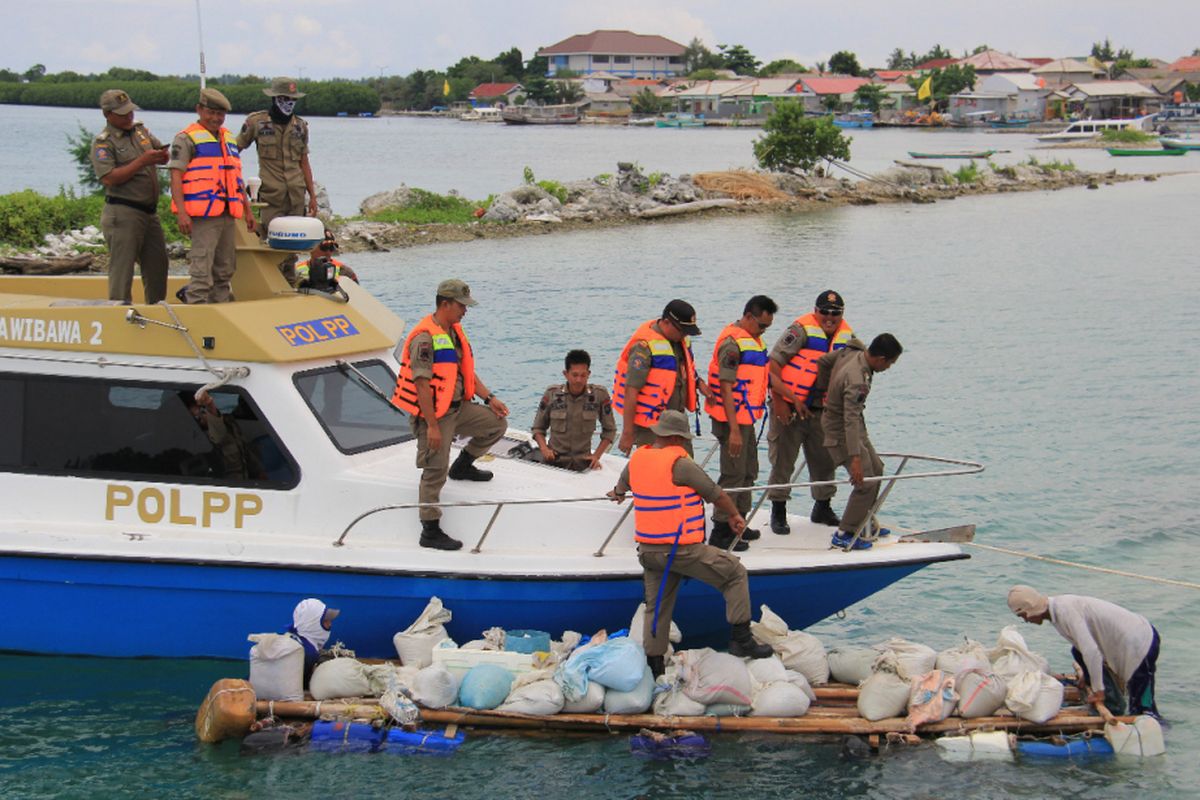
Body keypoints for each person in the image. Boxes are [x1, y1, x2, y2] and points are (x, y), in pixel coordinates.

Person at [608, 410, 773, 677]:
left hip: (649, 551)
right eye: (683, 438)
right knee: (734, 573)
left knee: (657, 606)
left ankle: (655, 666)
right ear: (675, 437)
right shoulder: (681, 465)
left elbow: (620, 488)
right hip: (680, 549)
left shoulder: (638, 459)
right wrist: (734, 516)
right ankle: (742, 640)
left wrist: (616, 493)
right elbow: (715, 494)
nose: (685, 443)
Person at [391, 279, 509, 550]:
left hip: (458, 407)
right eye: (461, 306)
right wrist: (431, 426)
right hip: (436, 415)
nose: (465, 311)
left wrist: (490, 398)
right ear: (445, 304)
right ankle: (429, 530)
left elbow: (464, 372)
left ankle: (463, 466)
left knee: (497, 425)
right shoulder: (424, 338)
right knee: (435, 470)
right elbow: (421, 385)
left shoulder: (454, 332)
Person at [765, 290, 856, 534]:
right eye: (824, 311)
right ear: (815, 311)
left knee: (825, 460)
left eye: (835, 313)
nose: (829, 317)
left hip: (823, 411)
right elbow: (773, 366)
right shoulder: (799, 331)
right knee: (783, 460)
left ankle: (822, 507)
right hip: (790, 408)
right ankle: (778, 511)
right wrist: (782, 402)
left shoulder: (847, 338)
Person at [1007, 585, 1161, 719]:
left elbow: (1092, 652)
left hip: (1141, 642)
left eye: (1023, 615)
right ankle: (1113, 704)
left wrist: (1098, 690)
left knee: (1143, 707)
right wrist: (1088, 677)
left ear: (1030, 608)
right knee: (1077, 651)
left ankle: (1157, 728)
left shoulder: (1066, 610)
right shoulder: (1058, 612)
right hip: (1130, 639)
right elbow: (1083, 649)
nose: (1026, 620)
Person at [703, 295, 777, 551]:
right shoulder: (732, 344)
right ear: (748, 317)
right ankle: (722, 528)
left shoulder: (753, 340)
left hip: (747, 418)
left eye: (767, 327)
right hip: (730, 419)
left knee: (748, 470)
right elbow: (725, 385)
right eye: (761, 325)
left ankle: (739, 521)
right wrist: (733, 430)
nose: (764, 330)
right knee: (733, 473)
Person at [168, 88, 255, 304]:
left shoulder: (228, 139)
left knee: (225, 269)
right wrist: (181, 213)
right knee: (201, 269)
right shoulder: (185, 139)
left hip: (227, 213)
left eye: (220, 114)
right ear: (199, 110)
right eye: (211, 112)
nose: (216, 118)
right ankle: (197, 312)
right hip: (203, 216)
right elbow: (176, 177)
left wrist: (248, 210)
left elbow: (236, 178)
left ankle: (221, 309)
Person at [822, 333, 903, 550]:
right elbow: (848, 419)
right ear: (881, 359)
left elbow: (824, 361)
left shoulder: (855, 353)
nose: (889, 368)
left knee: (877, 467)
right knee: (864, 479)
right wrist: (854, 457)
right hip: (840, 430)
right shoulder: (857, 378)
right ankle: (844, 532)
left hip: (856, 426)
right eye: (890, 363)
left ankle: (863, 519)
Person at [90, 89, 170, 305]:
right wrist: (142, 161)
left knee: (158, 265)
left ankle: (157, 311)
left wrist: (162, 156)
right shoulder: (103, 143)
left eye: (130, 112)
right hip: (123, 212)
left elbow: (159, 151)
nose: (129, 117)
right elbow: (109, 178)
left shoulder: (140, 131)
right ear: (108, 114)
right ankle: (118, 313)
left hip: (149, 213)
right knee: (122, 270)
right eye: (123, 114)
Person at [237, 77, 318, 286]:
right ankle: (269, 284)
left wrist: (313, 196)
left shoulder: (300, 126)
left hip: (296, 194)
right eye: (284, 98)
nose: (289, 103)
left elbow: (304, 162)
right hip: (271, 195)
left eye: (292, 98)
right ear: (275, 98)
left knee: (293, 245)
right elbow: (234, 151)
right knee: (271, 241)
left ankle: (289, 283)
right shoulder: (256, 122)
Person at [612, 300, 714, 456]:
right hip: (652, 426)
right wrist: (627, 432)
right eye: (682, 330)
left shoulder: (680, 341)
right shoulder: (644, 347)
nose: (685, 335)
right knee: (655, 470)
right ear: (667, 322)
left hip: (678, 421)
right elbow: (631, 390)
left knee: (684, 465)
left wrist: (699, 384)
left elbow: (685, 370)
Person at [531, 349, 616, 471]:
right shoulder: (552, 394)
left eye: (583, 375)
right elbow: (538, 428)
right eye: (575, 375)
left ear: (589, 374)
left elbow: (610, 430)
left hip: (583, 464)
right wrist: (544, 449)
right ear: (566, 374)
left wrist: (596, 456)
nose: (579, 380)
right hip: (554, 462)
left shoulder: (599, 395)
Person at [286, 598, 339, 688]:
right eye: (325, 621)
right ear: (312, 624)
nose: (330, 625)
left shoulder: (292, 637)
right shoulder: (308, 652)